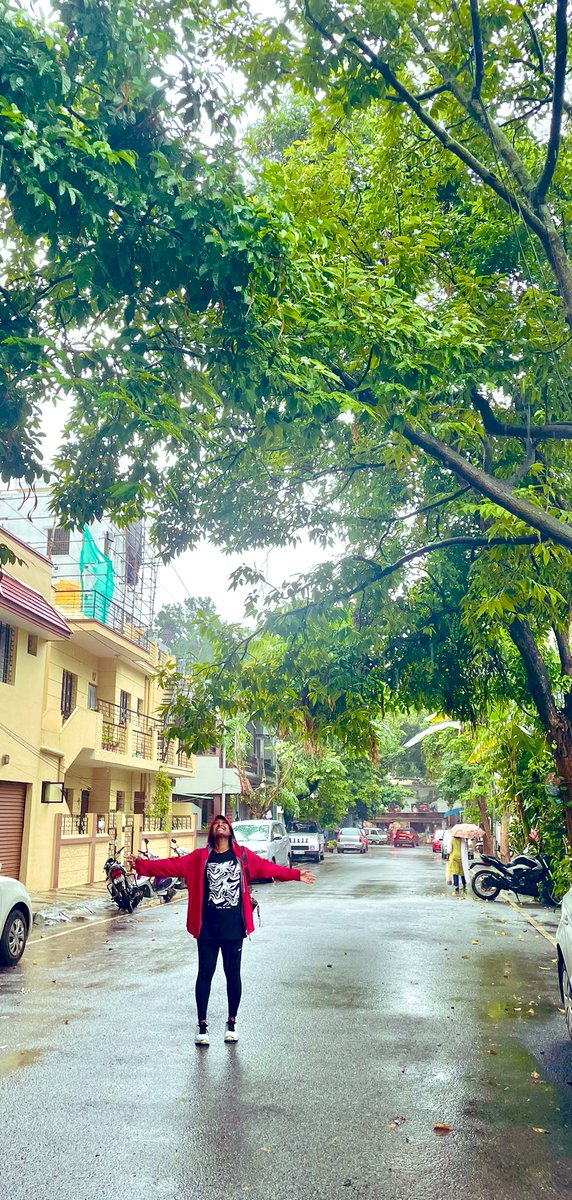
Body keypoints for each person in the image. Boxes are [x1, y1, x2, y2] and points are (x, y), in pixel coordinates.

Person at [127, 814, 316, 1046]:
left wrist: (296, 874)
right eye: (216, 823)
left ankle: (232, 1022)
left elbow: (269, 869)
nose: (220, 825)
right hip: (206, 926)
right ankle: (202, 1025)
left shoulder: (243, 856)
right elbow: (169, 866)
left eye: (224, 823)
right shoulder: (199, 858)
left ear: (230, 831)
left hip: (234, 926)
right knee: (205, 974)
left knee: (232, 974)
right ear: (211, 832)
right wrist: (140, 865)